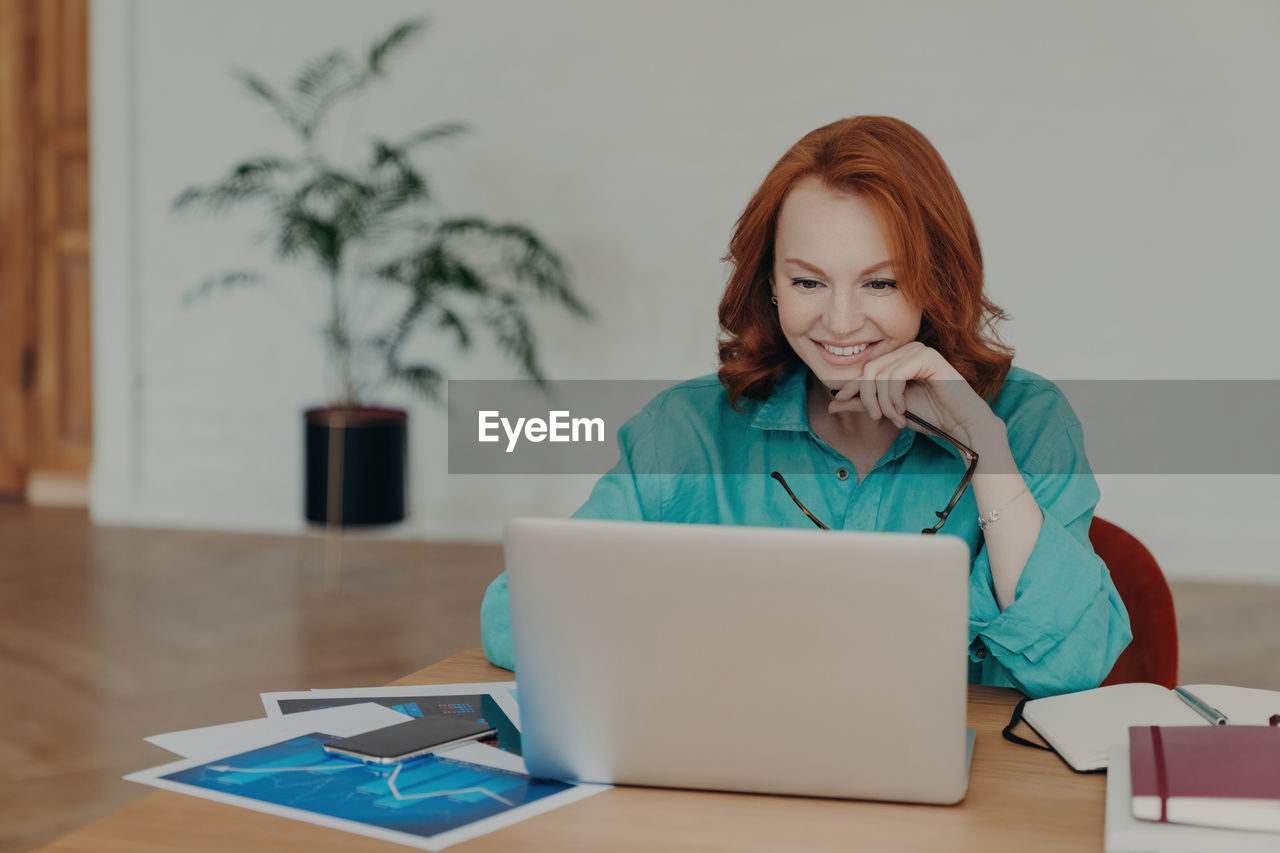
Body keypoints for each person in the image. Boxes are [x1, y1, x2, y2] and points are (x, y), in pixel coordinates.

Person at [480, 116, 1131, 698]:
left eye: (881, 282)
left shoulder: (1028, 420)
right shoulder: (683, 434)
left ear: (934, 280)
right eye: (808, 281)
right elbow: (515, 617)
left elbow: (1075, 660)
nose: (841, 322)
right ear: (769, 281)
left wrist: (987, 450)